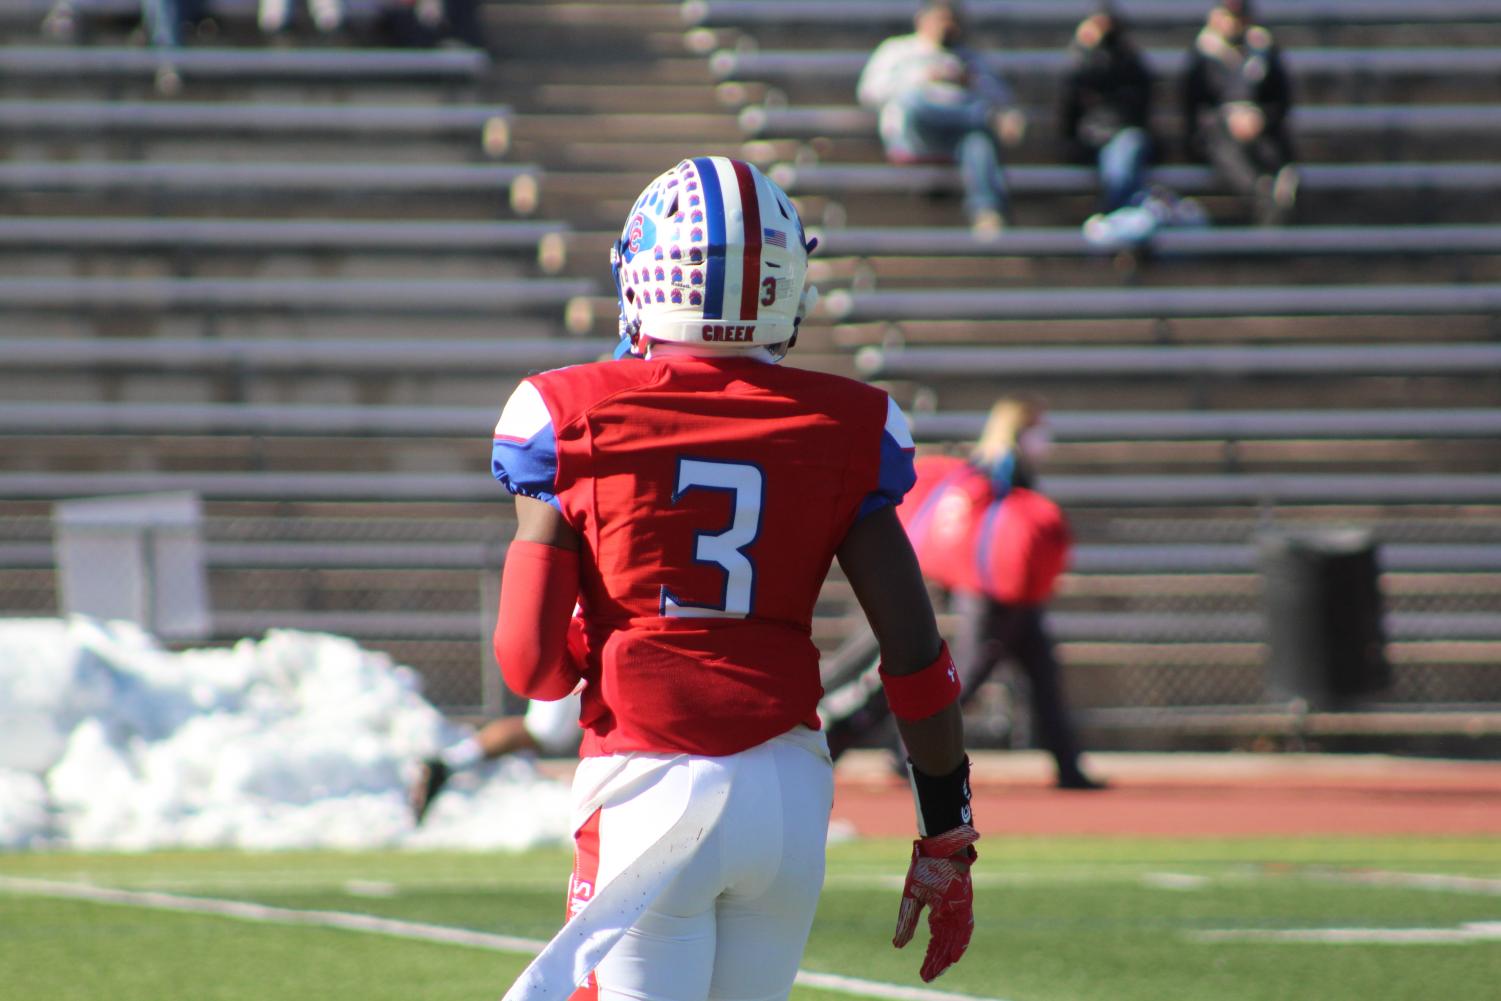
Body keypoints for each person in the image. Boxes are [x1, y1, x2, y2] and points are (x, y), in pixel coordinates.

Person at [491, 156, 978, 999]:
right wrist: (946, 833)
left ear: (642, 272)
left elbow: (531, 666)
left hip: (647, 778)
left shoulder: (567, 412)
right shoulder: (849, 423)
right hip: (787, 792)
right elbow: (914, 653)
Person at [823, 397, 1104, 791]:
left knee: (1042, 675)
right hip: (992, 591)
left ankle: (1069, 767)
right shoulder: (1002, 465)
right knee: (963, 678)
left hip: (1012, 594)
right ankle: (908, 753)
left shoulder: (990, 462)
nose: (1045, 438)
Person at [857, 0, 1026, 236]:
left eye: (951, 20)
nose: (946, 26)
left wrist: (971, 82)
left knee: (979, 142)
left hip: (958, 136)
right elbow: (869, 92)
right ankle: (984, 118)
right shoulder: (898, 50)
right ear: (922, 20)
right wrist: (924, 77)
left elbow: (1003, 97)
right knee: (913, 100)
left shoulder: (970, 59)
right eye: (940, 19)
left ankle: (987, 213)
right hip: (916, 131)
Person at [1182, 0, 1299, 225]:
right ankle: (1262, 197)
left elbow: (1281, 99)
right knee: (1225, 144)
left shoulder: (1264, 50)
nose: (1232, 24)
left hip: (1261, 131)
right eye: (1227, 16)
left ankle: (1277, 192)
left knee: (1275, 155)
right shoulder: (1202, 55)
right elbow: (1194, 106)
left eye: (1237, 17)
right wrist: (1229, 118)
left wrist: (1260, 118)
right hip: (1216, 133)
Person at [409, 692, 583, 823]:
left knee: (551, 730)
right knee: (548, 730)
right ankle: (450, 762)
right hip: (582, 650)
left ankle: (451, 762)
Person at [1060, 3, 1155, 214]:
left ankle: (1113, 217)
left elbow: (1137, 104)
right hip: (1091, 137)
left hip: (1122, 132)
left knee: (1123, 158)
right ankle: (1119, 219)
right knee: (1119, 167)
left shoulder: (1129, 60)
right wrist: (1084, 50)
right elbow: (1070, 98)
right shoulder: (1081, 60)